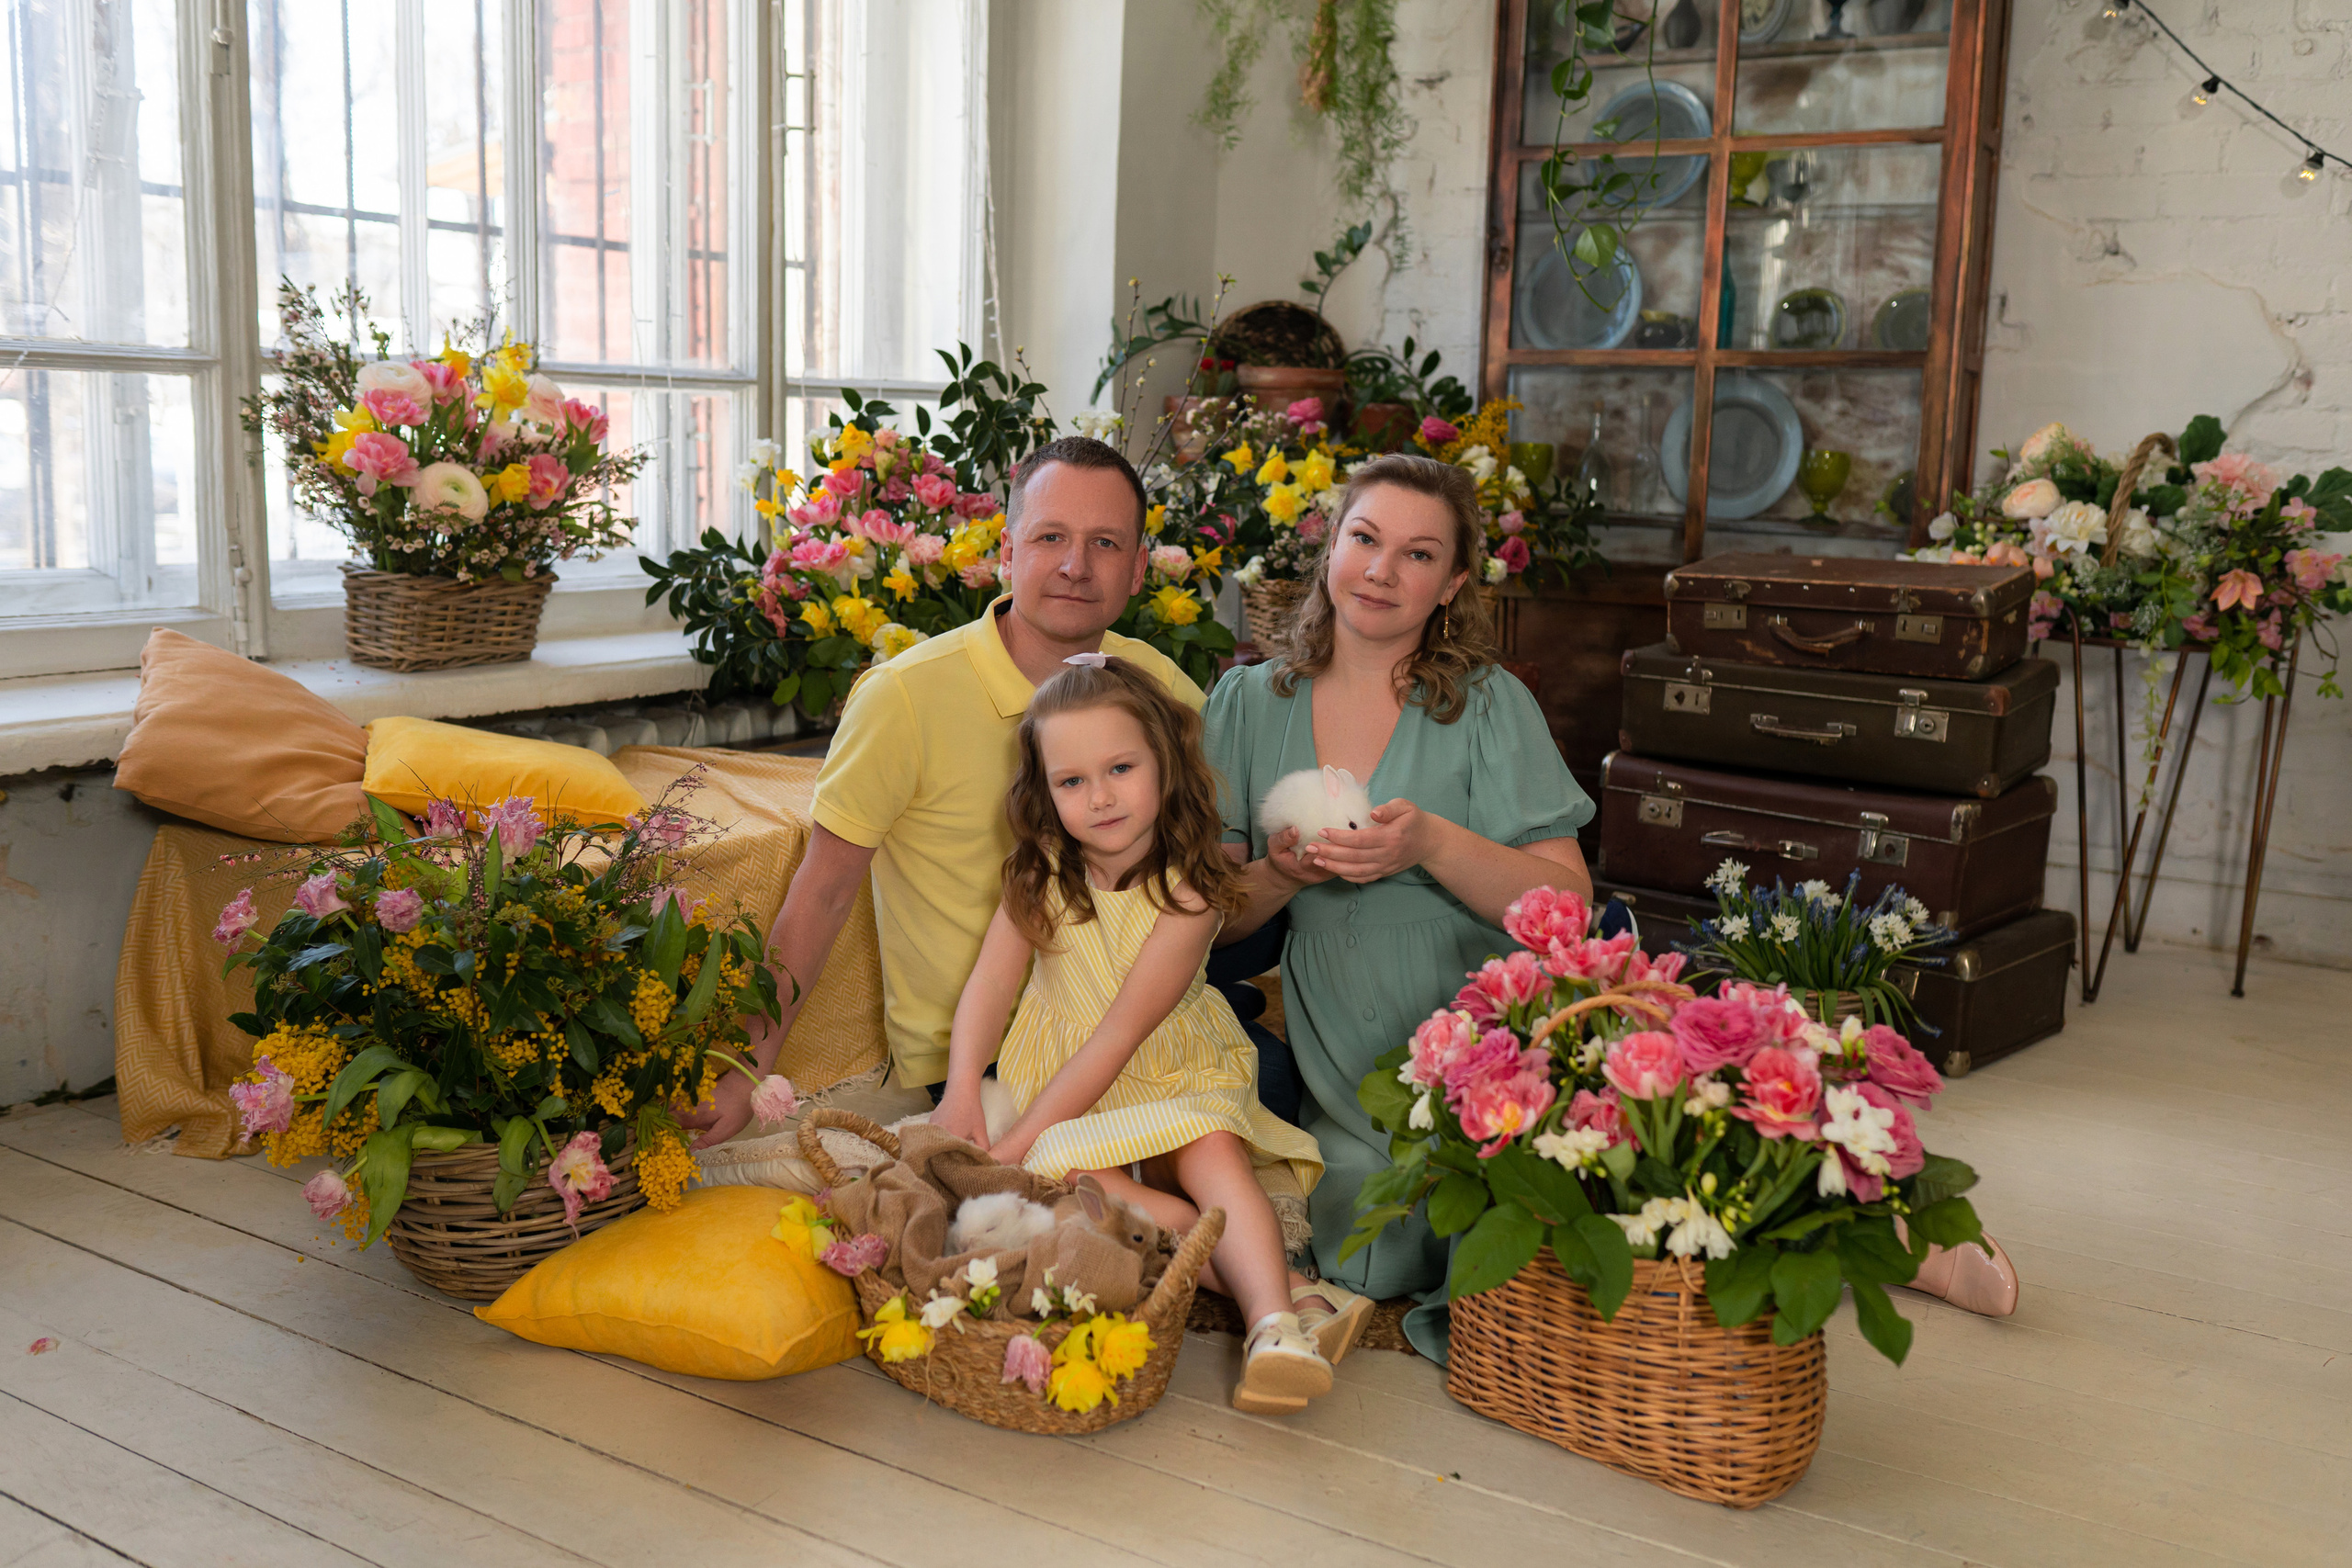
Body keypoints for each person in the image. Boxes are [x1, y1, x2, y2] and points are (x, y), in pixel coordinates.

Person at [682, 437, 1208, 1148]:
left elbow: (1196, 872)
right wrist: (748, 1063)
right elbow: (823, 891)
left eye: (1106, 543)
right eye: (1051, 537)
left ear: (1139, 567)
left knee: (1254, 1096)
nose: (1075, 565)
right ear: (1008, 551)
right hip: (984, 1051)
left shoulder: (1164, 688)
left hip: (1138, 1025)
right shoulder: (904, 697)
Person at [1203, 453, 1595, 1361]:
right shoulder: (1248, 701)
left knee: (1569, 1184)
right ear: (1331, 545)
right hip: (1341, 1039)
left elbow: (1569, 909)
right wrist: (1285, 877)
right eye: (1364, 539)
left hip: (1479, 1022)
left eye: (1417, 555)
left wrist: (1433, 845)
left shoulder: (1490, 706)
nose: (1380, 572)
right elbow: (1208, 921)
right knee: (1364, 1231)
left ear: (1453, 582)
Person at [933, 655, 1349, 1414]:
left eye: (1120, 767)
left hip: (1167, 1069)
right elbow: (990, 986)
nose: (1099, 797)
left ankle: (1271, 1330)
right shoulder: (1038, 873)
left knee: (1209, 1149)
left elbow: (1121, 1035)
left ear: (1163, 760)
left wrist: (1016, 1140)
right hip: (1072, 1092)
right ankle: (1296, 1293)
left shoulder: (1187, 891)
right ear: (1043, 790)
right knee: (1083, 1188)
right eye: (1071, 781)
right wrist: (962, 1090)